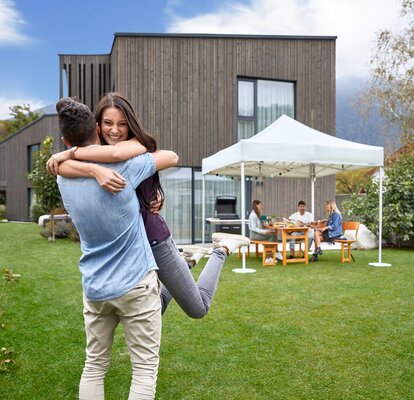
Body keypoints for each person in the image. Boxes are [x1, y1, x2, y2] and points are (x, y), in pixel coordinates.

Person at [47, 92, 250, 321]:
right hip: (127, 252)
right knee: (154, 308)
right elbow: (60, 169)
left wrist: (72, 152)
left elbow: (159, 156)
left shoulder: (134, 147)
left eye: (122, 124)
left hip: (153, 241)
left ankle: (221, 249)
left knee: (198, 308)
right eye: (108, 123)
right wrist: (93, 168)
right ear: (96, 126)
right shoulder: (90, 155)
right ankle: (187, 260)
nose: (114, 130)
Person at [54, 98, 179, 399]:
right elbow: (171, 157)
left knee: (94, 366)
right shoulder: (127, 166)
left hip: (95, 288)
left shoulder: (62, 174)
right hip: (136, 283)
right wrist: (124, 151)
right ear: (97, 129)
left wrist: (77, 158)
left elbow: (69, 163)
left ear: (65, 140)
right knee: (144, 370)